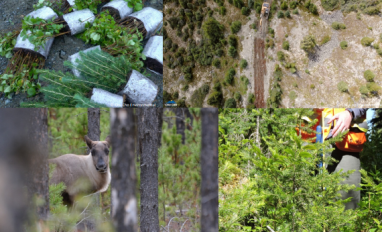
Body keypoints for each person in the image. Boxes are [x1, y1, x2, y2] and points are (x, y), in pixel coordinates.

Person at [297, 108, 368, 210]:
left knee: (347, 203)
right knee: (304, 199)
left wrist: (351, 112)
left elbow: (371, 93)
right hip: (309, 137)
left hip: (346, 139)